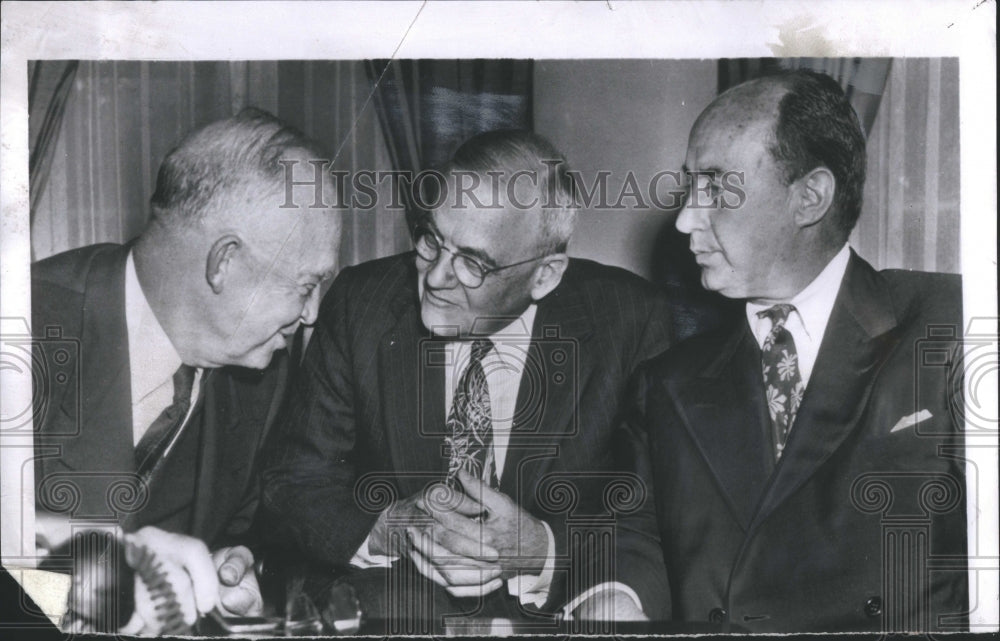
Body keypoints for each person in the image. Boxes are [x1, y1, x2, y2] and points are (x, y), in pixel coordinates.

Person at [574, 70, 968, 632]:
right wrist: (615, 594)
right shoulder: (665, 382)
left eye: (715, 187)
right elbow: (635, 535)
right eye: (689, 188)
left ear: (809, 196)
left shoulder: (953, 323)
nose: (685, 219)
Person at [261, 129, 672, 629]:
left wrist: (541, 548)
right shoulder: (361, 303)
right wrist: (386, 529)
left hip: (557, 611)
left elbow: (655, 513)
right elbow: (294, 483)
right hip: (398, 609)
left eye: (473, 263)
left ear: (545, 275)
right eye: (432, 239)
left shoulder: (628, 320)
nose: (435, 278)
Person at [31, 108, 341, 633]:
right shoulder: (25, 323)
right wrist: (104, 578)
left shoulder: (260, 376)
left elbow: (238, 529)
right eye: (306, 286)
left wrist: (225, 570)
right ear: (223, 262)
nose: (311, 315)